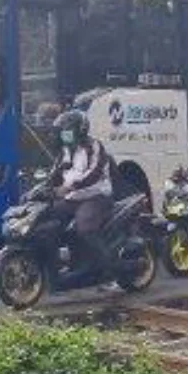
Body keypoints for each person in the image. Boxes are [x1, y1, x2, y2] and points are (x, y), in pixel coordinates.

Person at [48, 109, 115, 277]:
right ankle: (66, 262)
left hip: (96, 196)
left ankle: (107, 266)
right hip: (73, 198)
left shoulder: (94, 146)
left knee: (84, 228)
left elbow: (94, 173)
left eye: (67, 131)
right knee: (46, 219)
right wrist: (45, 187)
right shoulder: (66, 150)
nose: (64, 134)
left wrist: (71, 187)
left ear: (80, 130)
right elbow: (56, 172)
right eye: (63, 131)